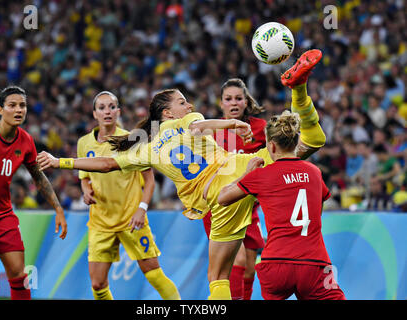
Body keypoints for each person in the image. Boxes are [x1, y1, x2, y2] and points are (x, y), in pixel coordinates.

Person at [37, 49, 327, 300]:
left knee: (218, 277)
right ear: (168, 113)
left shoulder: (147, 150)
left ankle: (298, 87)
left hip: (219, 195)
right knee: (310, 143)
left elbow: (105, 164)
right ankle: (299, 91)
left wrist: (60, 162)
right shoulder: (188, 119)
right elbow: (198, 127)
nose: (189, 105)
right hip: (242, 167)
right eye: (182, 102)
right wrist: (230, 125)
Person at [217, 110, 346, 300]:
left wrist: (246, 174)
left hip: (275, 263)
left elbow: (222, 197)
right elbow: (316, 213)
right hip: (314, 263)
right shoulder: (315, 172)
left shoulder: (261, 175)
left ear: (271, 145)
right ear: (296, 142)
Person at [0, 86, 68, 300]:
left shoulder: (26, 141)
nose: (19, 110)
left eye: (23, 105)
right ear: (0, 109)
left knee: (19, 275)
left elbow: (38, 177)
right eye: (12, 105)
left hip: (3, 216)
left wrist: (58, 208)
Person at [78, 91, 180, 300]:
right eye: (102, 107)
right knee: (98, 284)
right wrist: (86, 190)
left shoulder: (132, 140)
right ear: (95, 113)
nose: (107, 111)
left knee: (154, 275)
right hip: (100, 222)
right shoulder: (84, 143)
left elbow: (150, 181)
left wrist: (141, 209)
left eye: (112, 107)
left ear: (118, 111)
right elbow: (84, 176)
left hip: (131, 220)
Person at [203, 78, 267, 300]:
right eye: (228, 99)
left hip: (249, 207)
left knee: (250, 269)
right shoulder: (211, 131)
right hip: (222, 206)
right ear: (221, 103)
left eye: (238, 98)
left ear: (246, 102)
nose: (234, 103)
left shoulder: (260, 129)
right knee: (235, 263)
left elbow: (271, 159)